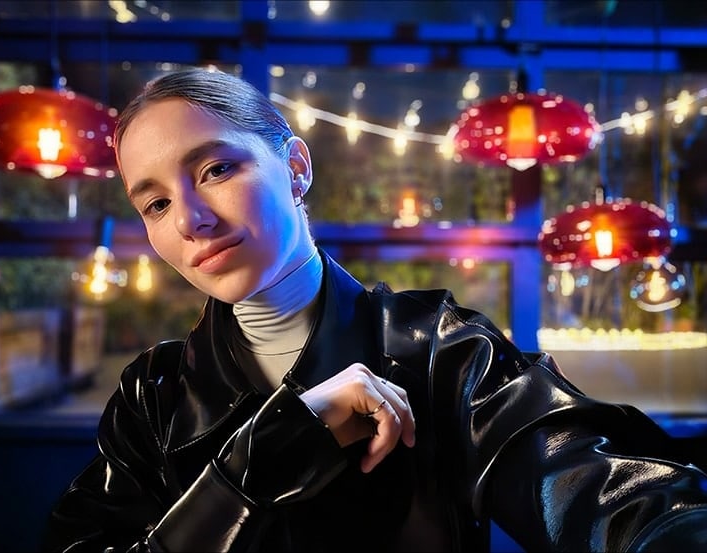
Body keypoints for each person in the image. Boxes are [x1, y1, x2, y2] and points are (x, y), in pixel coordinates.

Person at [42, 68, 707, 552]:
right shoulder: (151, 395)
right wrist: (271, 449)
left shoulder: (440, 347)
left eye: (215, 169)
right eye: (154, 202)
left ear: (296, 166)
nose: (189, 220)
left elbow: (599, 493)